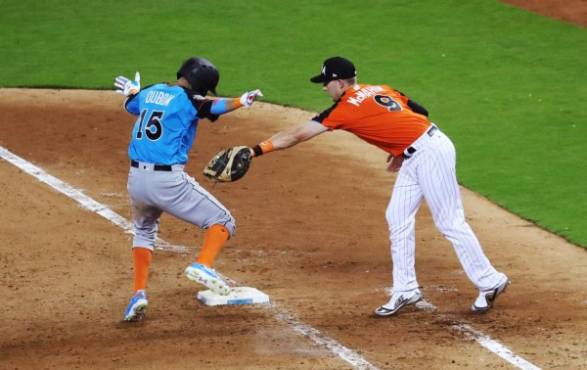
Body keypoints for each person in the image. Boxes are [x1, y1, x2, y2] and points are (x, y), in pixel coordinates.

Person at [247, 56, 509, 316]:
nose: (323, 87)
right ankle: (406, 289)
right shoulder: (381, 88)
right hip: (417, 151)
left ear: (338, 82)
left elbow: (296, 135)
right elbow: (420, 112)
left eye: (326, 82)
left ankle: (489, 280)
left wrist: (255, 151)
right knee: (397, 216)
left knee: (449, 221)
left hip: (430, 154)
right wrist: (400, 149)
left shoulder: (343, 108)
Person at [113, 56, 263, 322]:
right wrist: (241, 101)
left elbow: (131, 106)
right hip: (167, 182)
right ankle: (203, 265)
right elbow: (213, 107)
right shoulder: (190, 99)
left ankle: (138, 294)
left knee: (144, 231)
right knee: (223, 221)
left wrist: (132, 93)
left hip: (136, 179)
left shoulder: (152, 90)